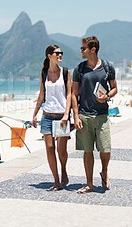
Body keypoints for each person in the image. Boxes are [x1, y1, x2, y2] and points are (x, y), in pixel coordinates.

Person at [72, 36, 117, 193]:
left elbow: (114, 88)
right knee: (87, 150)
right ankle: (89, 183)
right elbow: (73, 94)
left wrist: (107, 96)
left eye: (83, 48)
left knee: (105, 149)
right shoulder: (79, 69)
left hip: (102, 115)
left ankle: (104, 171)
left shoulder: (107, 67)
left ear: (93, 49)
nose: (81, 51)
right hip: (84, 115)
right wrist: (75, 116)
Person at [32, 44, 72, 191]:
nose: (60, 55)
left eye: (61, 53)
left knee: (61, 150)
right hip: (47, 116)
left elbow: (69, 95)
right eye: (57, 53)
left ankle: (63, 169)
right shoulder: (43, 73)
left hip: (62, 116)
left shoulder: (66, 72)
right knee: (49, 147)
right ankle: (56, 180)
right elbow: (42, 95)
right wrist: (34, 114)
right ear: (49, 56)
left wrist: (67, 115)